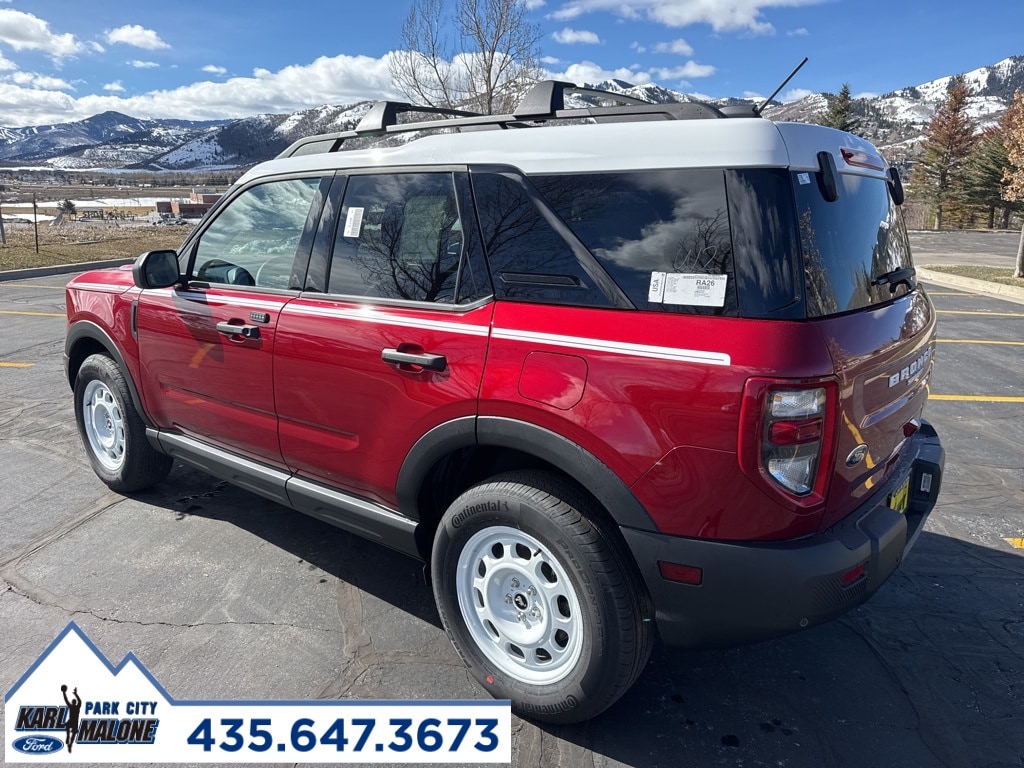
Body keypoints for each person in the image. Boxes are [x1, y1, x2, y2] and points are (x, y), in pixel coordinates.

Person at [61, 684, 81, 754]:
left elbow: (67, 700)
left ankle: (69, 742)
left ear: (73, 702)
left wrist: (75, 694)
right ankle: (68, 738)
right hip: (73, 721)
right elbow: (67, 700)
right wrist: (75, 694)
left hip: (73, 721)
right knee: (70, 731)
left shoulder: (74, 707)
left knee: (69, 729)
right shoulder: (75, 707)